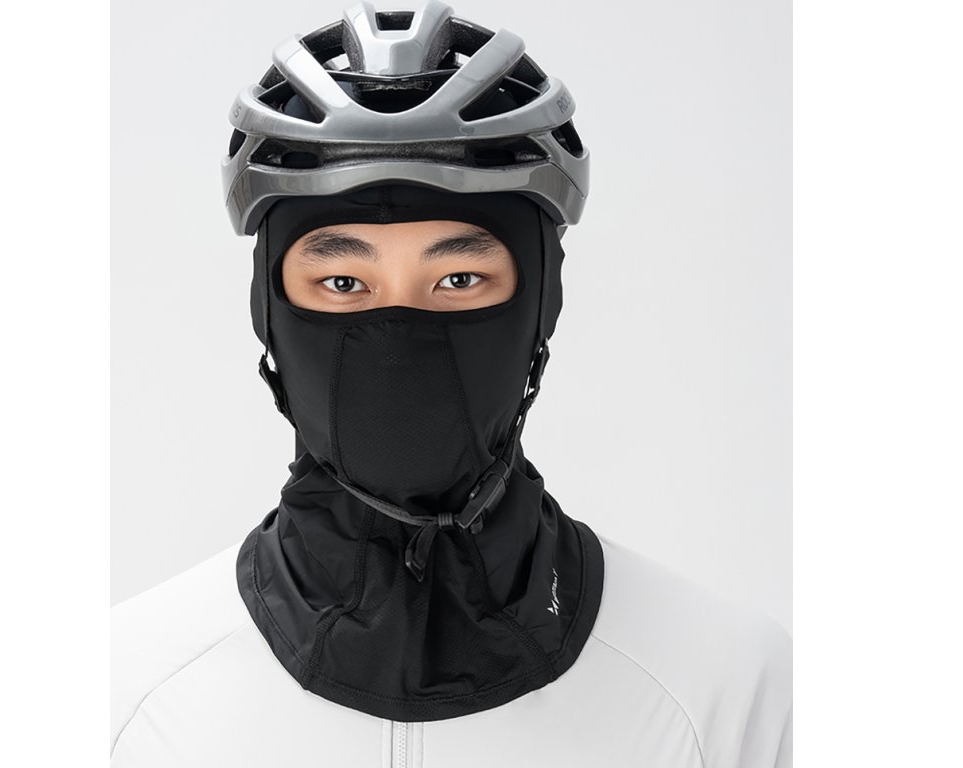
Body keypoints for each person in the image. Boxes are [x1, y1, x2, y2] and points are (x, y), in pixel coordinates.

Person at [110, 1, 792, 765]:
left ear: (540, 307)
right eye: (342, 282)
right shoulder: (120, 701)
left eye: (459, 279)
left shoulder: (727, 691)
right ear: (269, 313)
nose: (397, 338)